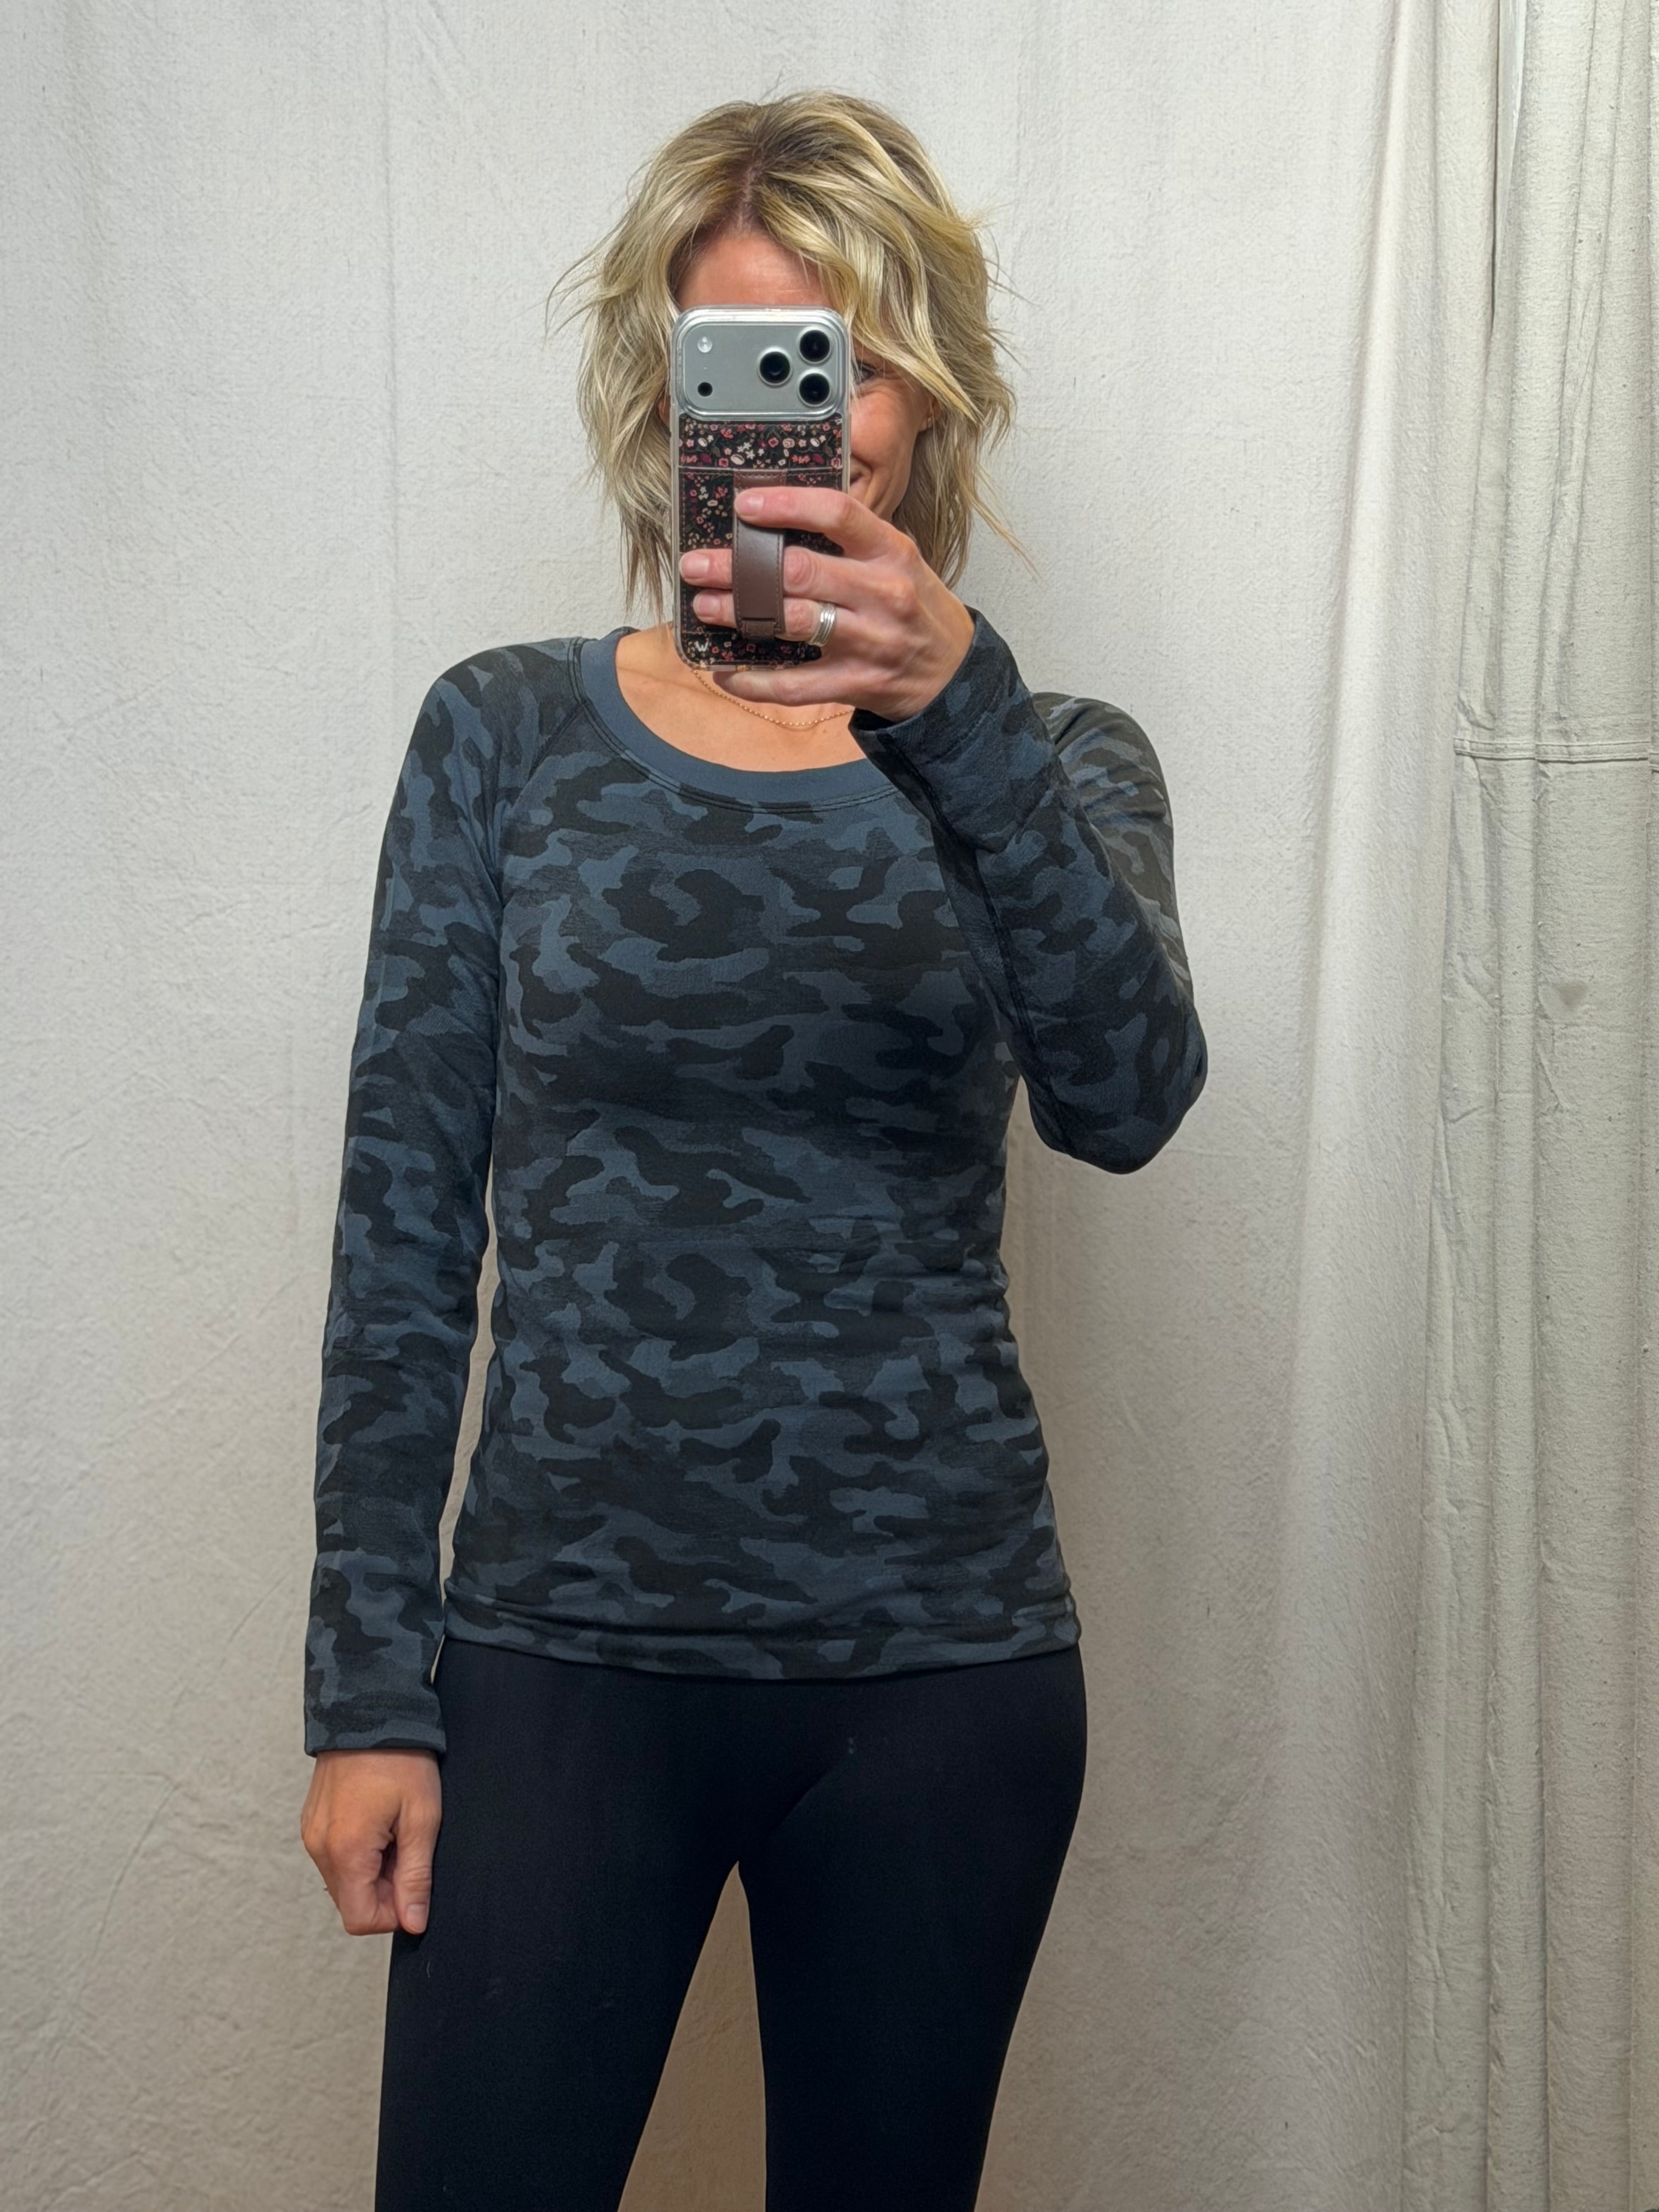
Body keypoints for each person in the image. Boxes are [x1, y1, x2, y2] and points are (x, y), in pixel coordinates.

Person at [298, 89, 1207, 2212]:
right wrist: (364, 1688)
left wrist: (956, 715)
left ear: (931, 393)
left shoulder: (1053, 753)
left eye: (856, 362)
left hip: (941, 1668)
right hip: (555, 1654)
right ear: (667, 392)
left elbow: (1130, 1098)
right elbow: (402, 1231)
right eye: (753, 364)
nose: (811, 425)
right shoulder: (506, 732)